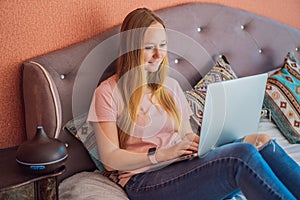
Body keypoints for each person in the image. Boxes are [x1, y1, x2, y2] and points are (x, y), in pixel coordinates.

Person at [87, 8, 300, 200]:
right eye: (149, 47)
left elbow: (186, 134)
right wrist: (163, 154)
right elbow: (110, 159)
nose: (158, 54)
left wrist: (199, 144)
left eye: (162, 45)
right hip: (144, 180)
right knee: (242, 155)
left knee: (262, 143)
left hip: (181, 166)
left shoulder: (169, 86)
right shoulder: (107, 92)